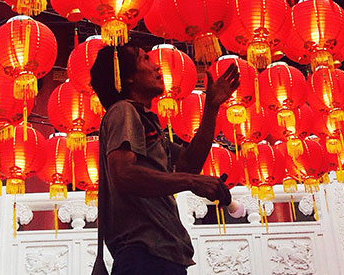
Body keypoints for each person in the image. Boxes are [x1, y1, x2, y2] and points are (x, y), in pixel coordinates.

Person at [89, 43, 240, 275]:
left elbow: (189, 165)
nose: (156, 66)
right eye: (145, 59)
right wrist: (191, 182)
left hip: (160, 254)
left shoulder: (144, 120)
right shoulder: (123, 111)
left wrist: (211, 107)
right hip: (145, 254)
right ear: (127, 77)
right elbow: (124, 174)